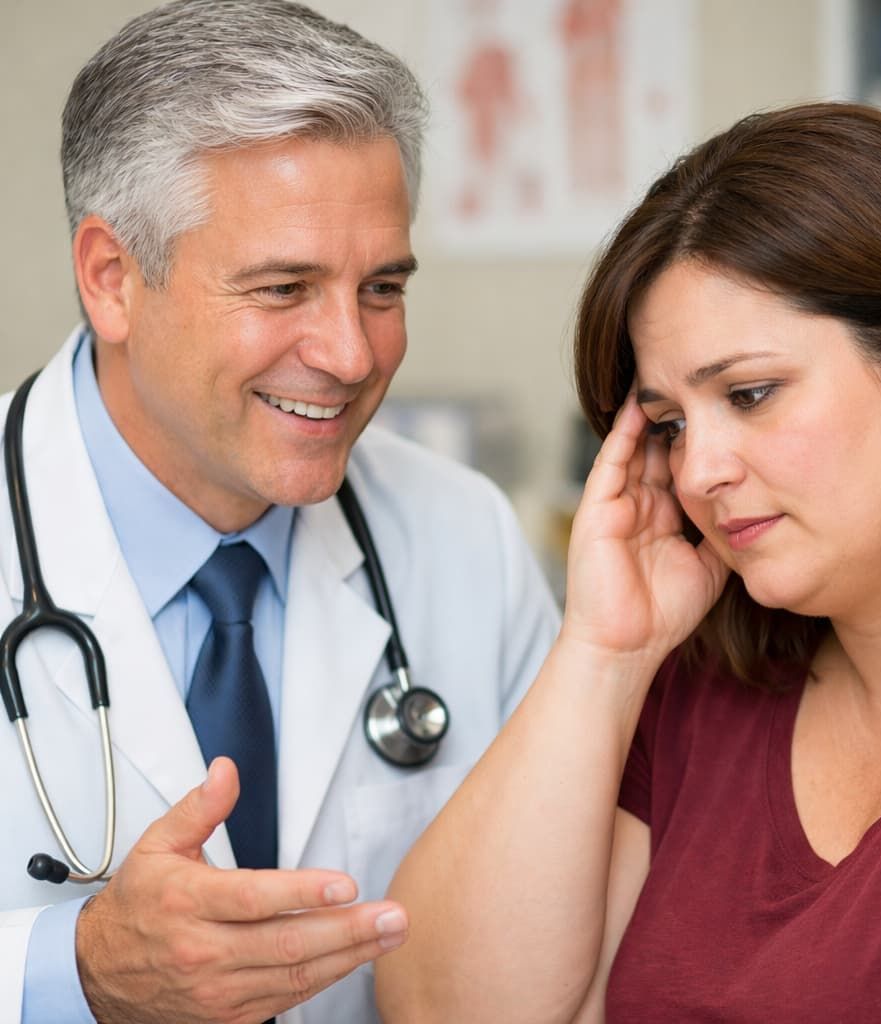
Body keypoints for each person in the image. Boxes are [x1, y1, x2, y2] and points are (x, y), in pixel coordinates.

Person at [377, 101, 881, 1022]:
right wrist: (604, 653)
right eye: (671, 426)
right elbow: (444, 1011)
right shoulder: (709, 682)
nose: (700, 472)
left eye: (751, 394)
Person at [0, 2, 560, 1022]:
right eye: (283, 287)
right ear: (111, 278)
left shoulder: (462, 535)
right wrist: (73, 967)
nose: (351, 355)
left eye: (381, 286)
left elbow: (559, 923)